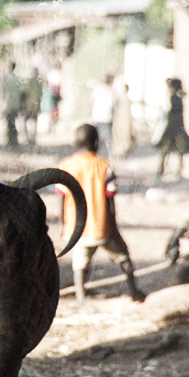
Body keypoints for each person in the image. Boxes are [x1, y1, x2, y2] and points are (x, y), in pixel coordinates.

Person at [57, 124, 146, 305]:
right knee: (123, 257)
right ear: (97, 143)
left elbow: (61, 198)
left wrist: (64, 223)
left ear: (75, 142)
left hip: (78, 228)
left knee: (79, 265)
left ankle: (81, 299)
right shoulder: (104, 166)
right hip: (101, 225)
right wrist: (113, 224)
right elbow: (110, 200)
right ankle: (134, 291)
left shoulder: (66, 166)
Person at [154, 77, 189, 182]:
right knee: (176, 150)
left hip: (172, 126)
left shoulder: (173, 96)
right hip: (175, 126)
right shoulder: (175, 96)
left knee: (167, 151)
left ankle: (162, 172)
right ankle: (171, 172)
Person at [90, 75, 115, 157]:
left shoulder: (97, 89)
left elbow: (91, 101)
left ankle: (95, 154)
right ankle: (110, 155)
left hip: (97, 116)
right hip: (107, 117)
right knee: (108, 139)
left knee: (97, 138)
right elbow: (113, 105)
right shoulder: (110, 91)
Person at [111, 78, 134, 159]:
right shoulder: (121, 99)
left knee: (121, 137)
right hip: (122, 121)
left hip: (122, 121)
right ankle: (120, 153)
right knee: (121, 137)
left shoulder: (123, 99)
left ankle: (120, 153)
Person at [2, 62, 23, 148]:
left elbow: (4, 91)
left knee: (10, 123)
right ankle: (14, 140)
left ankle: (11, 140)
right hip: (16, 104)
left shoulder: (7, 78)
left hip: (9, 104)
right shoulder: (18, 79)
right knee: (14, 122)